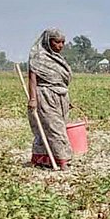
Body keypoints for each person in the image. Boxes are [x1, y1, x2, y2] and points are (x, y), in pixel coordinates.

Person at [27, 28, 73, 169]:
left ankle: (44, 158)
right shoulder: (38, 58)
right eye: (57, 42)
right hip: (45, 95)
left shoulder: (59, 59)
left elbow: (61, 80)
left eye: (62, 42)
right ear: (48, 41)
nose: (60, 45)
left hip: (61, 96)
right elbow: (32, 79)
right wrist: (33, 99)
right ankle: (62, 159)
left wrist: (66, 100)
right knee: (55, 128)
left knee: (60, 127)